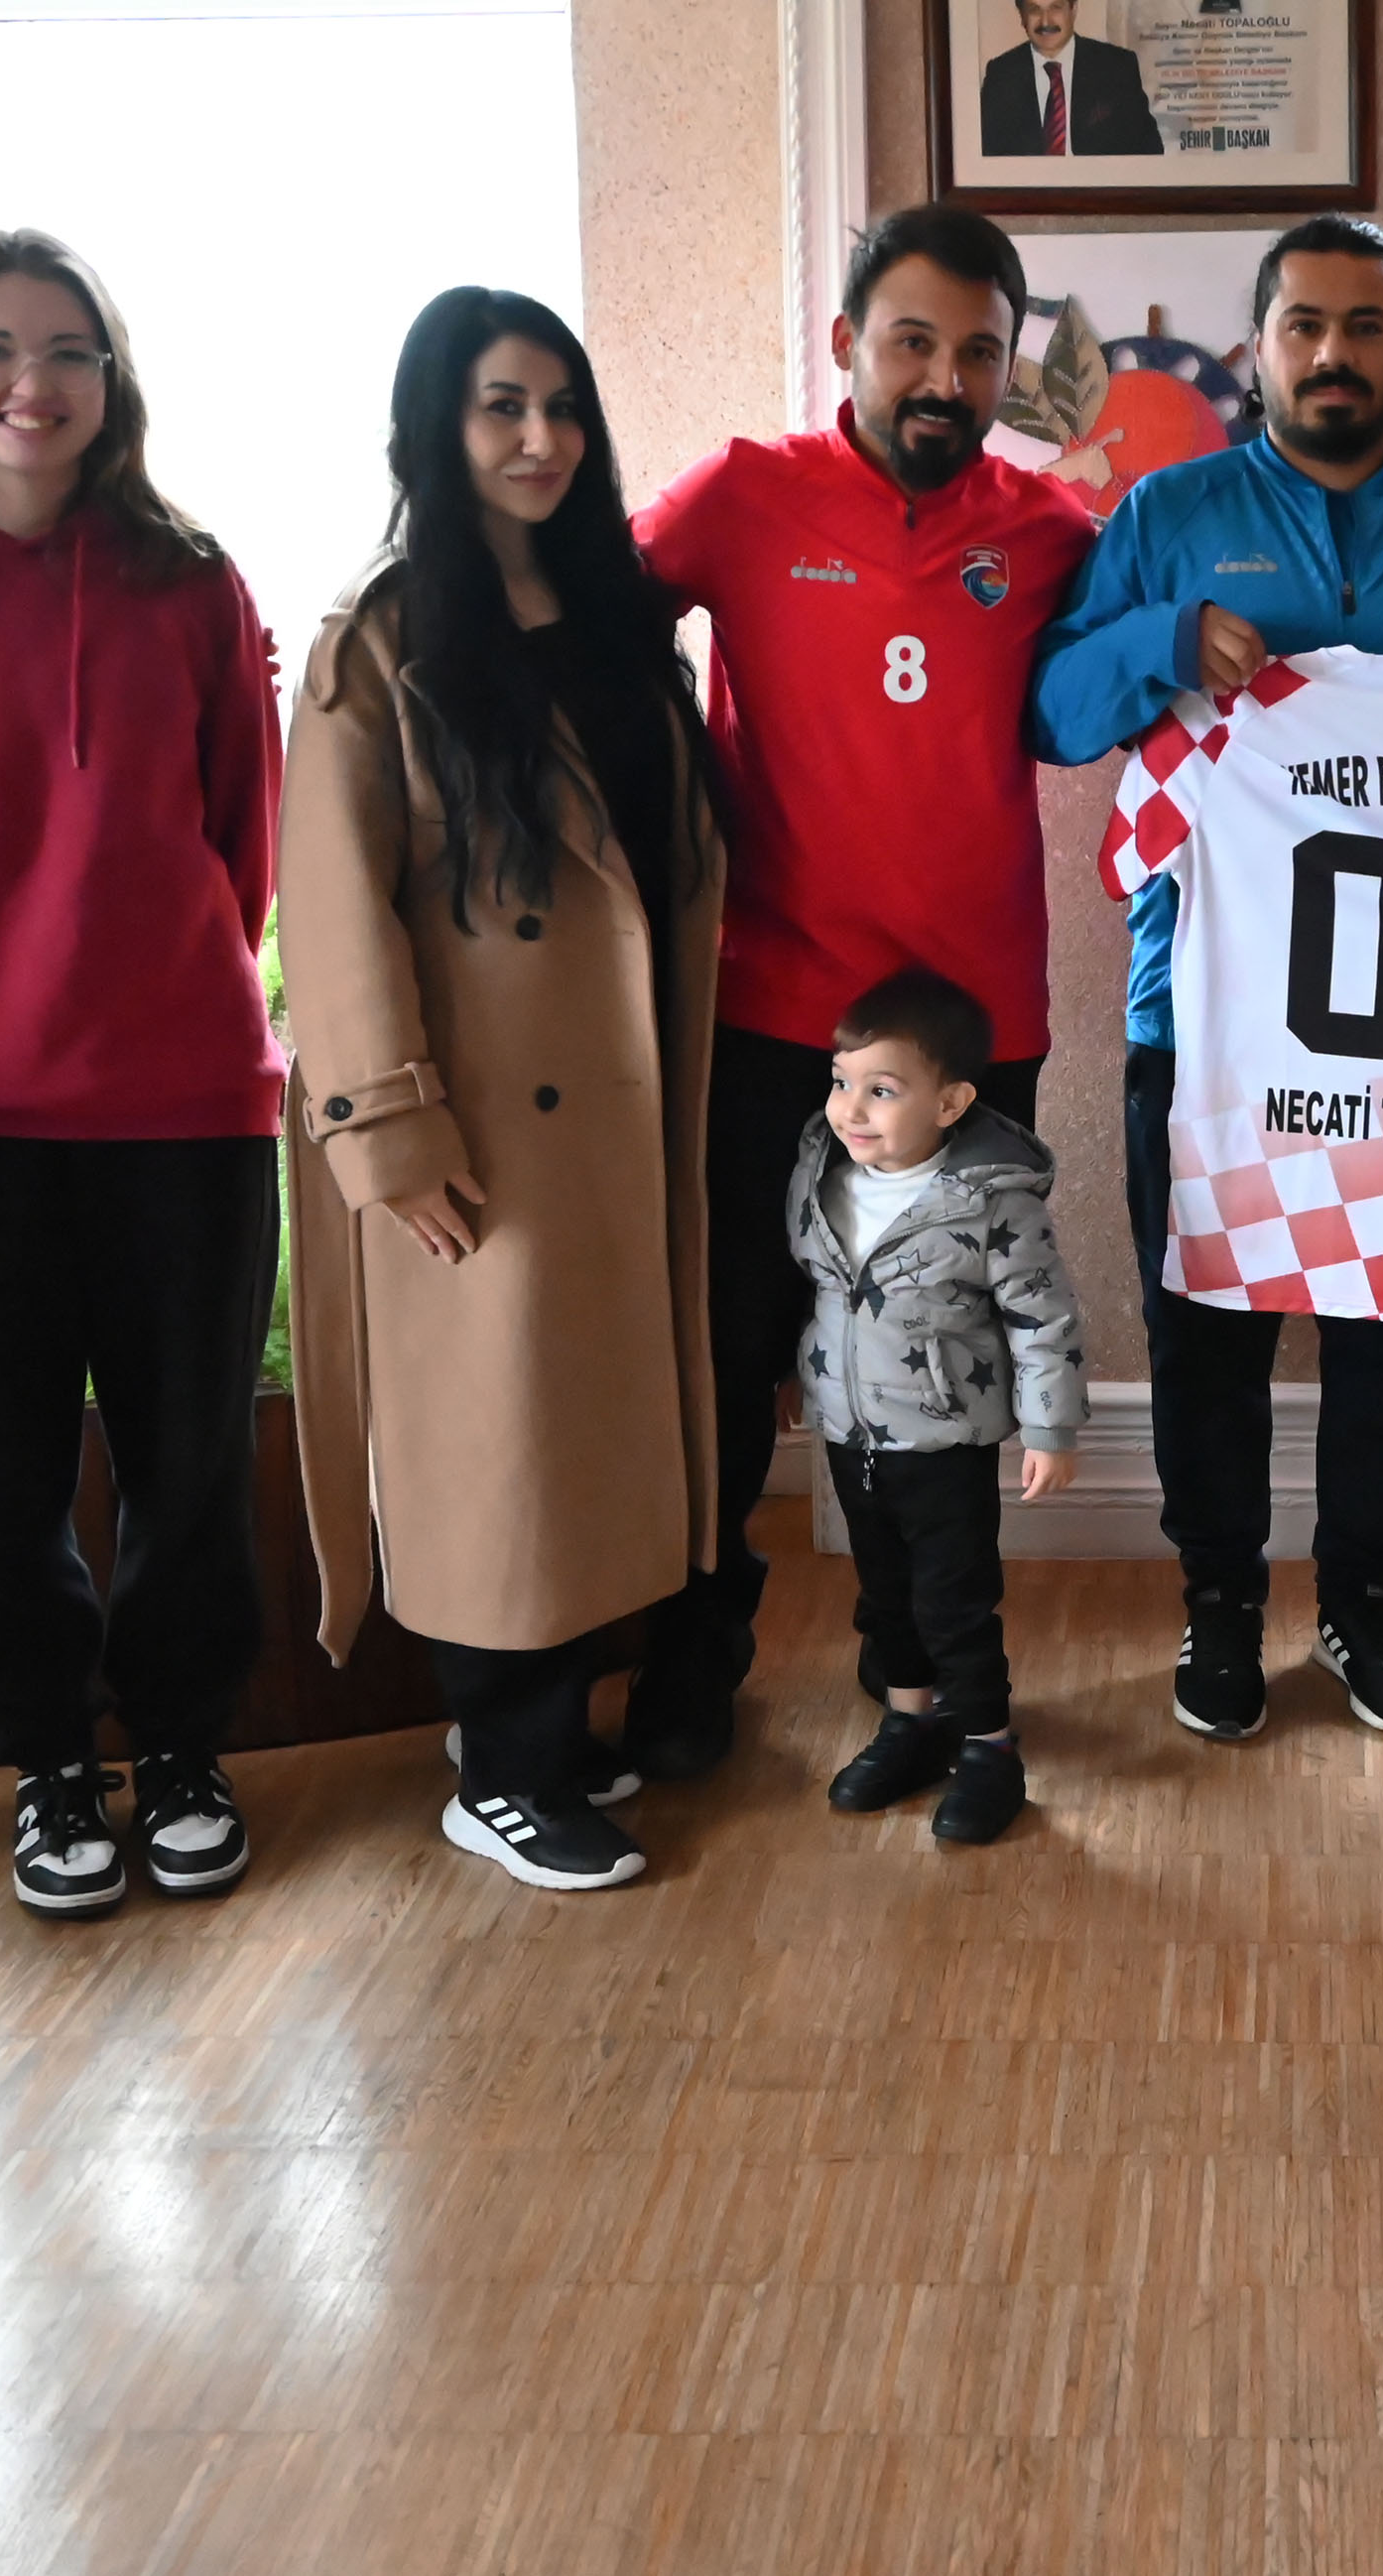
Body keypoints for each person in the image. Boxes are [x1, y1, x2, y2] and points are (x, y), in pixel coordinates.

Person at [1029, 213, 1383, 1743]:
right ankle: (1217, 1602)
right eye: (1304, 327)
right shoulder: (1167, 516)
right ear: (1256, 351)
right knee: (1208, 1329)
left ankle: (1363, 1601)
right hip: (1201, 1013)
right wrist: (1164, 637)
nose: (1335, 355)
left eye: (1364, 326)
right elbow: (1055, 712)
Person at [0, 231, 284, 1922]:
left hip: (183, 1102)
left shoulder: (190, 578)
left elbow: (243, 831)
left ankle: (182, 1749)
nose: (35, 382)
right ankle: (48, 1765)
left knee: (190, 1463)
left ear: (113, 379)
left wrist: (150, 973)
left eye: (71, 350)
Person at [627, 203, 1095, 1781]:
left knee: (935, 1381)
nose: (944, 379)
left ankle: (927, 1681)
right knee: (734, 1359)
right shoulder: (741, 496)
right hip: (777, 1022)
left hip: (971, 1044)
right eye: (912, 342)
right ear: (846, 344)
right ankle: (694, 1663)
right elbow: (578, 611)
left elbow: (1151, 666)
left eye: (979, 352)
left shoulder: (1053, 530)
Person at [278, 288, 721, 1893]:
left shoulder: (616, 612)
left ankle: (551, 1736)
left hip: (622, 1093)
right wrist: (387, 1124)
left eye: (563, 405)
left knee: (583, 1431)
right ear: (436, 424)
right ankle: (502, 1770)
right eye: (500, 406)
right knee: (498, 1442)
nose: (541, 438)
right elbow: (331, 896)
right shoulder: (381, 634)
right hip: (474, 1112)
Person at [789, 966, 1084, 1848]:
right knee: (886, 1596)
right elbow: (820, 1293)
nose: (851, 1110)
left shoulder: (993, 1202)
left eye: (881, 1091)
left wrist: (1051, 1427)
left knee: (953, 1601)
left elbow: (1044, 1318)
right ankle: (910, 1723)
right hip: (850, 1433)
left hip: (944, 1436)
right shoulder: (822, 1176)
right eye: (841, 1083)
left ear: (950, 1102)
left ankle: (989, 1746)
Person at [977, 0, 1163, 158]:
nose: (1046, 21)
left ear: (1073, 9)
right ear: (1022, 16)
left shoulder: (1117, 66)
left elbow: (1148, 149)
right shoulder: (1001, 74)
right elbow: (987, 153)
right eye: (1034, 10)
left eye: (1056, 8)